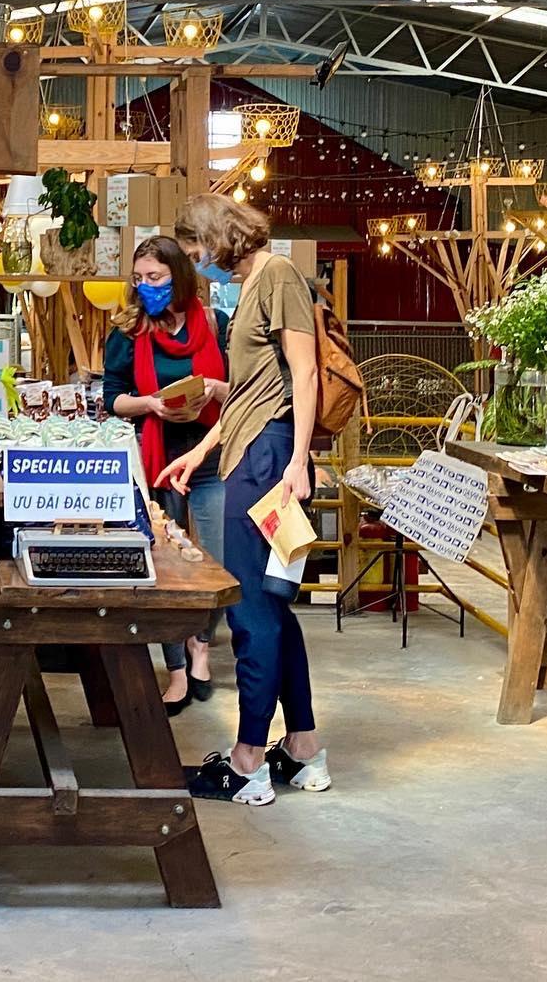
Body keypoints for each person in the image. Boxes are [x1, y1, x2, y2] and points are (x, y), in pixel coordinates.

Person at [160, 194, 330, 806]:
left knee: (252, 611)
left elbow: (304, 373)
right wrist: (203, 449)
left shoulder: (278, 274)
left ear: (218, 236)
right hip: (252, 451)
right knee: (274, 609)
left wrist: (295, 465)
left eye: (197, 250)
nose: (197, 262)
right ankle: (304, 748)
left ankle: (247, 761)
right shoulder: (254, 283)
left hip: (268, 462)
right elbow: (251, 390)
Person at [103, 236, 230, 716]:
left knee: (217, 559)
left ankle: (202, 643)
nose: (146, 287)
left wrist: (215, 389)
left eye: (154, 277)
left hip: (210, 452)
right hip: (156, 454)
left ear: (179, 275)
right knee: (164, 565)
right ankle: (176, 667)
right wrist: (150, 403)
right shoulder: (129, 329)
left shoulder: (214, 323)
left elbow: (242, 387)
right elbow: (112, 396)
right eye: (139, 279)